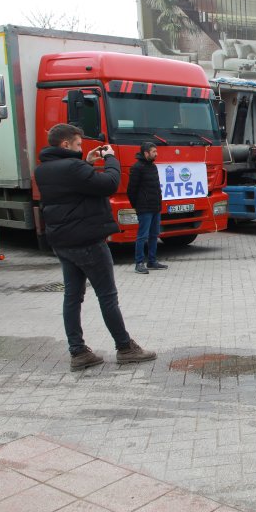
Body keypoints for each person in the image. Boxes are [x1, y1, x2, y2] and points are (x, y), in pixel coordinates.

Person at [34, 124, 156, 371]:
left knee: (72, 297)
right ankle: (125, 347)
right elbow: (109, 183)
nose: (81, 148)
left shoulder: (43, 170)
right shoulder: (72, 167)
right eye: (78, 144)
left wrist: (87, 162)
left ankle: (78, 352)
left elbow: (74, 186)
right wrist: (110, 158)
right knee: (107, 296)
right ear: (65, 144)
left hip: (62, 242)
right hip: (88, 241)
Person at [126, 142, 167, 275]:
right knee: (142, 236)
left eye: (156, 151)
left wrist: (159, 204)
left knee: (154, 235)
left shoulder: (153, 167)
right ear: (146, 153)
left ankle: (152, 261)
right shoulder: (137, 168)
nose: (156, 154)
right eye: (154, 152)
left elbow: (157, 187)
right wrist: (137, 205)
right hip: (144, 208)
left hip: (155, 207)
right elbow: (131, 190)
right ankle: (139, 263)